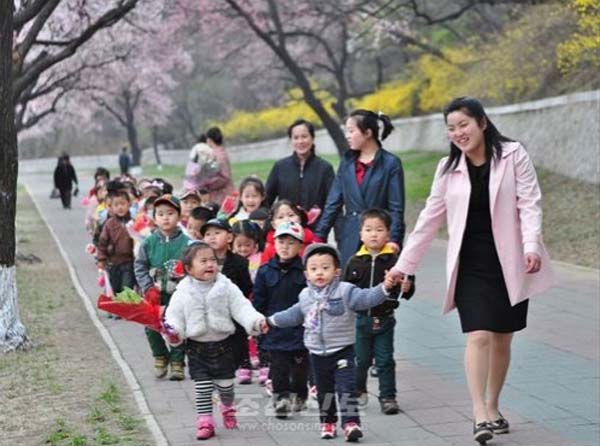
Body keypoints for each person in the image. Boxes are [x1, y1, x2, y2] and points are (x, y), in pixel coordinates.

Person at [387, 97, 555, 444]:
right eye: (451, 128)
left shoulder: (512, 155)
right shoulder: (447, 170)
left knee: (502, 338)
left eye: (463, 124)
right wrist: (403, 267)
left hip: (509, 261)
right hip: (471, 264)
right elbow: (428, 221)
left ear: (482, 122)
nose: (458, 133)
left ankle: (493, 405)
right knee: (478, 335)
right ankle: (479, 413)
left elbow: (529, 202)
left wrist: (530, 246)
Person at [267, 244, 396, 442]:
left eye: (325, 268)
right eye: (314, 268)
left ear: (336, 271)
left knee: (346, 388)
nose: (319, 272)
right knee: (323, 392)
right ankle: (327, 422)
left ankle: (351, 423)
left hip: (343, 350)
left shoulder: (346, 291)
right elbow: (293, 315)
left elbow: (367, 298)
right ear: (306, 274)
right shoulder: (305, 296)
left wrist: (385, 287)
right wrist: (270, 321)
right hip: (317, 354)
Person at [163, 242, 268, 440]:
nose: (210, 264)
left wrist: (256, 321)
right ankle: (205, 421)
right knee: (202, 387)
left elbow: (242, 307)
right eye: (203, 261)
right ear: (189, 268)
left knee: (226, 386)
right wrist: (173, 332)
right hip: (196, 347)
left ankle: (227, 407)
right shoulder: (182, 292)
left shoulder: (225, 286)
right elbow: (173, 316)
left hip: (223, 346)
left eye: (212, 260)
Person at [343, 208, 415, 415]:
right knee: (361, 360)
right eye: (368, 229)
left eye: (379, 229)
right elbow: (346, 290)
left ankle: (388, 397)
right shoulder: (354, 261)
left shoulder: (395, 262)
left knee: (385, 360)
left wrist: (407, 288)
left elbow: (408, 286)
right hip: (361, 320)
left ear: (388, 234)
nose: (373, 234)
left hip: (385, 319)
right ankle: (358, 390)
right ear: (361, 234)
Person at [314, 109, 406, 267]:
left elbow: (396, 207)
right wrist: (320, 235)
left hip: (379, 236)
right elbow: (333, 202)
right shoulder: (347, 162)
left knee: (379, 285)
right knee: (348, 285)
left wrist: (394, 239)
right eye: (346, 131)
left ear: (368, 133)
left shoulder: (391, 163)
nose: (347, 136)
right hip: (350, 234)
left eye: (351, 131)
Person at [253, 222, 308, 417]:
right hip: (274, 330)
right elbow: (259, 301)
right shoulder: (265, 271)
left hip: (300, 331)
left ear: (300, 246)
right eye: (281, 241)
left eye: (291, 242)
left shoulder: (305, 272)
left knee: (301, 369)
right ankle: (281, 399)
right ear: (274, 243)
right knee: (279, 368)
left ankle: (300, 394)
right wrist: (258, 324)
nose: (285, 246)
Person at [134, 194, 191, 381]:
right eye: (160, 214)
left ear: (179, 216)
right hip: (154, 294)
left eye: (170, 213)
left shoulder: (187, 243)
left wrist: (185, 288)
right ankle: (160, 356)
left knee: (176, 327)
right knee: (151, 326)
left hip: (177, 294)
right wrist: (147, 287)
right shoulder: (148, 243)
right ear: (154, 218)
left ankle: (177, 362)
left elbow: (192, 267)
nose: (165, 218)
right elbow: (140, 266)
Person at [200, 218, 254, 384]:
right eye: (208, 234)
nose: (212, 237)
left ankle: (244, 364)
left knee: (239, 334)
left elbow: (246, 285)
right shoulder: (202, 261)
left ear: (230, 238)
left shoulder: (239, 262)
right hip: (211, 307)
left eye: (217, 233)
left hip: (233, 305)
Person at [265, 119, 335, 229]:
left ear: (312, 138)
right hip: (286, 232)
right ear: (291, 141)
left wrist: (322, 232)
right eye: (296, 138)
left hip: (316, 232)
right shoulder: (280, 167)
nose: (300, 141)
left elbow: (332, 204)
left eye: (304, 136)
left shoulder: (325, 168)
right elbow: (267, 200)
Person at [96, 189, 136, 301]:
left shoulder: (134, 221)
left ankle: (125, 308)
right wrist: (101, 260)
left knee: (127, 285)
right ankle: (116, 307)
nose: (120, 207)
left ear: (129, 204)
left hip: (129, 261)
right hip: (113, 262)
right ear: (111, 207)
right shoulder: (109, 224)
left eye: (123, 204)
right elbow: (102, 243)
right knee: (115, 286)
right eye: (116, 205)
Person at [261, 200, 315, 265]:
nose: (286, 220)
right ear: (273, 224)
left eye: (291, 215)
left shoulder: (310, 247)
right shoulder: (269, 249)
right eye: (280, 217)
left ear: (300, 219)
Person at [197, 127, 235, 206]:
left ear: (209, 140)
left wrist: (207, 183)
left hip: (222, 195)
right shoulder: (217, 153)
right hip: (218, 194)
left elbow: (224, 177)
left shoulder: (219, 156)